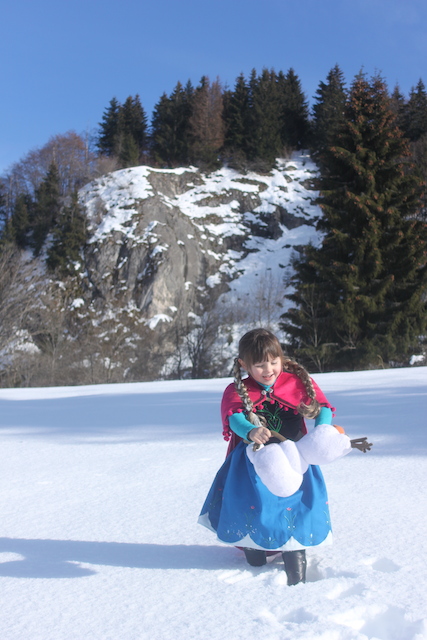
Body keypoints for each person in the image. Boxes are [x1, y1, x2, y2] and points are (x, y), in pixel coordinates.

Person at [198, 328, 352, 585]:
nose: (268, 369)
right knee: (255, 504)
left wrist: (322, 432)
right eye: (259, 365)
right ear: (243, 364)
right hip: (253, 463)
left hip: (296, 457)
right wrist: (251, 430)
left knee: (293, 506)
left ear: (281, 359)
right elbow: (234, 419)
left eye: (273, 362)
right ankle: (254, 549)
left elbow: (323, 408)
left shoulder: (296, 383)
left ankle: (295, 557)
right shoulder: (236, 390)